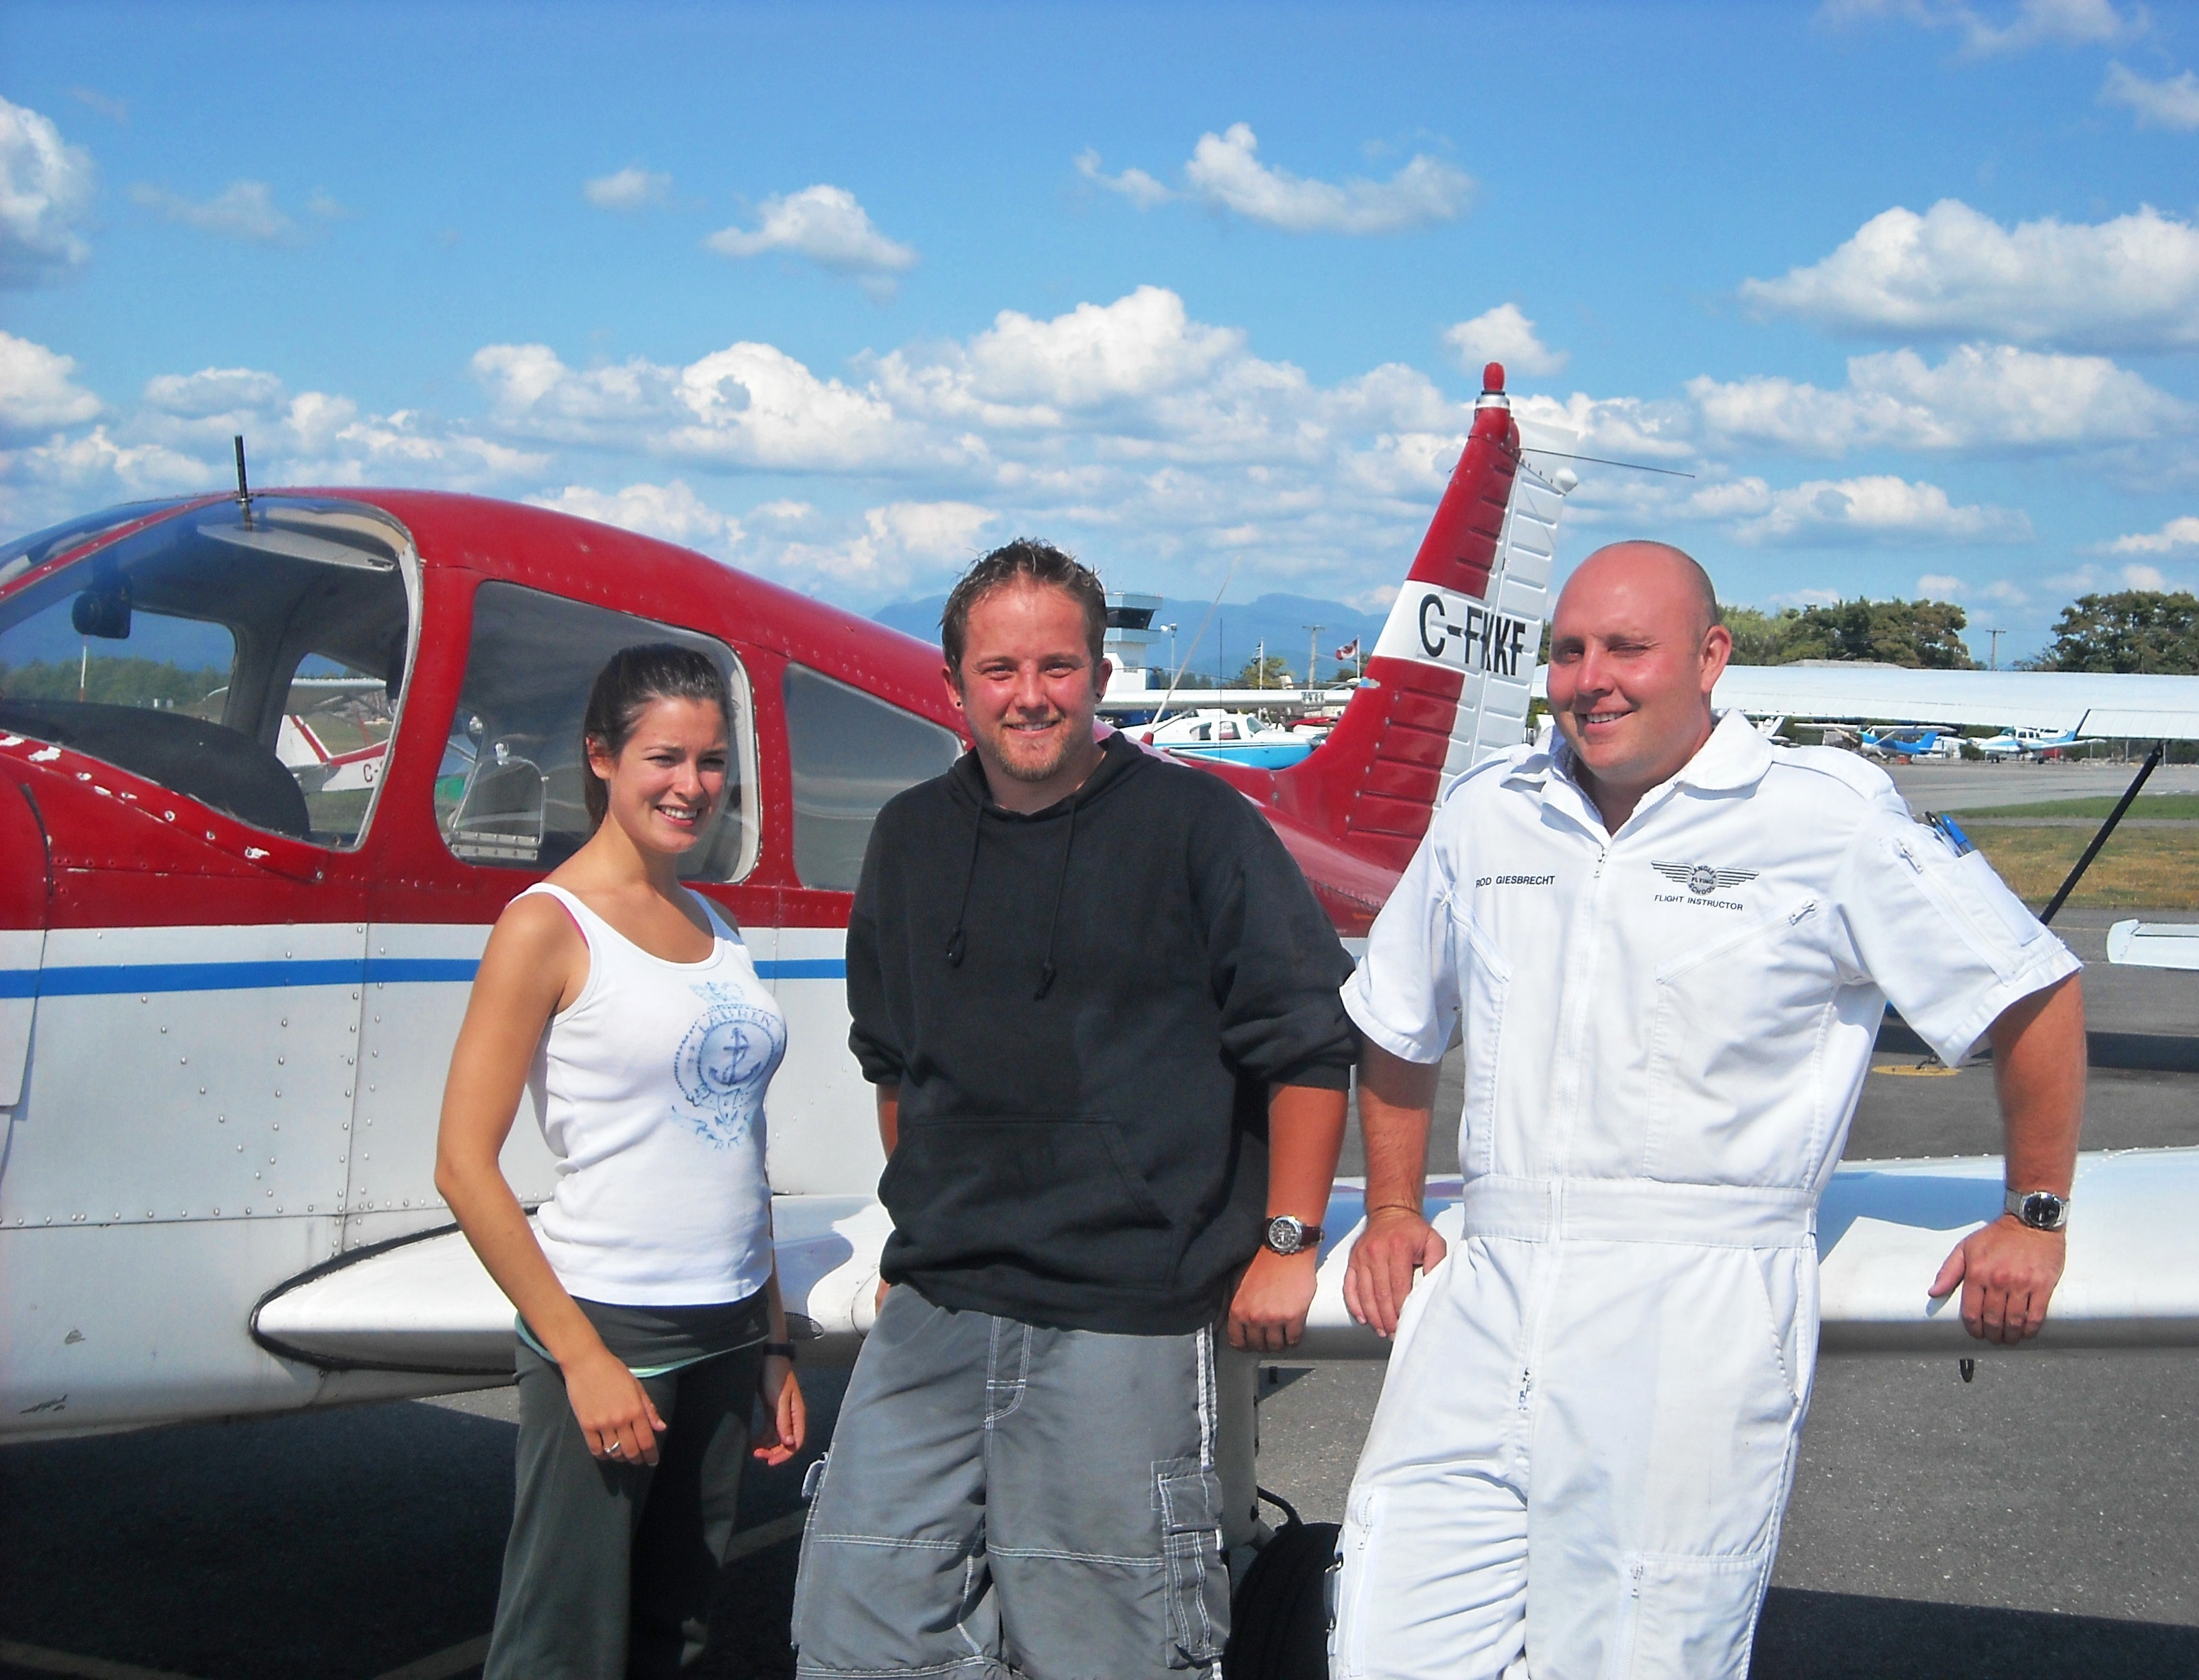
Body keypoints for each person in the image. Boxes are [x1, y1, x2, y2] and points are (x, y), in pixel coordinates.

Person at [1332, 542, 2085, 1679]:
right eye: (1571, 650)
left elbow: (2029, 990)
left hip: (1696, 1307)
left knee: (1638, 1653)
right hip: (1489, 1290)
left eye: (1628, 648)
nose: (1595, 678)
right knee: (1389, 1642)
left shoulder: (1823, 817)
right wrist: (1392, 1204)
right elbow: (1396, 1021)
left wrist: (2035, 1212)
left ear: (1711, 657)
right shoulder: (1492, 813)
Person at [790, 540, 1357, 1679]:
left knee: (1114, 1643)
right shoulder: (909, 838)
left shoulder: (1201, 829)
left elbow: (1306, 1047)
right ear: (955, 685)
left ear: (1100, 678)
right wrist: (924, 1229)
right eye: (999, 670)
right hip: (941, 1302)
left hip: (1127, 1309)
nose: (1031, 694)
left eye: (1058, 666)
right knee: (858, 1625)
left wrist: (1287, 1243)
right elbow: (894, 1065)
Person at [435, 643, 808, 1680]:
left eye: (711, 763)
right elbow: (464, 1166)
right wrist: (582, 1359)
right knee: (564, 1639)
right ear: (600, 757)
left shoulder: (715, 925)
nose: (691, 787)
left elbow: (741, 1145)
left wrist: (771, 1344)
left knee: (676, 1631)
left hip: (730, 1329)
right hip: (610, 1328)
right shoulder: (545, 928)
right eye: (664, 759)